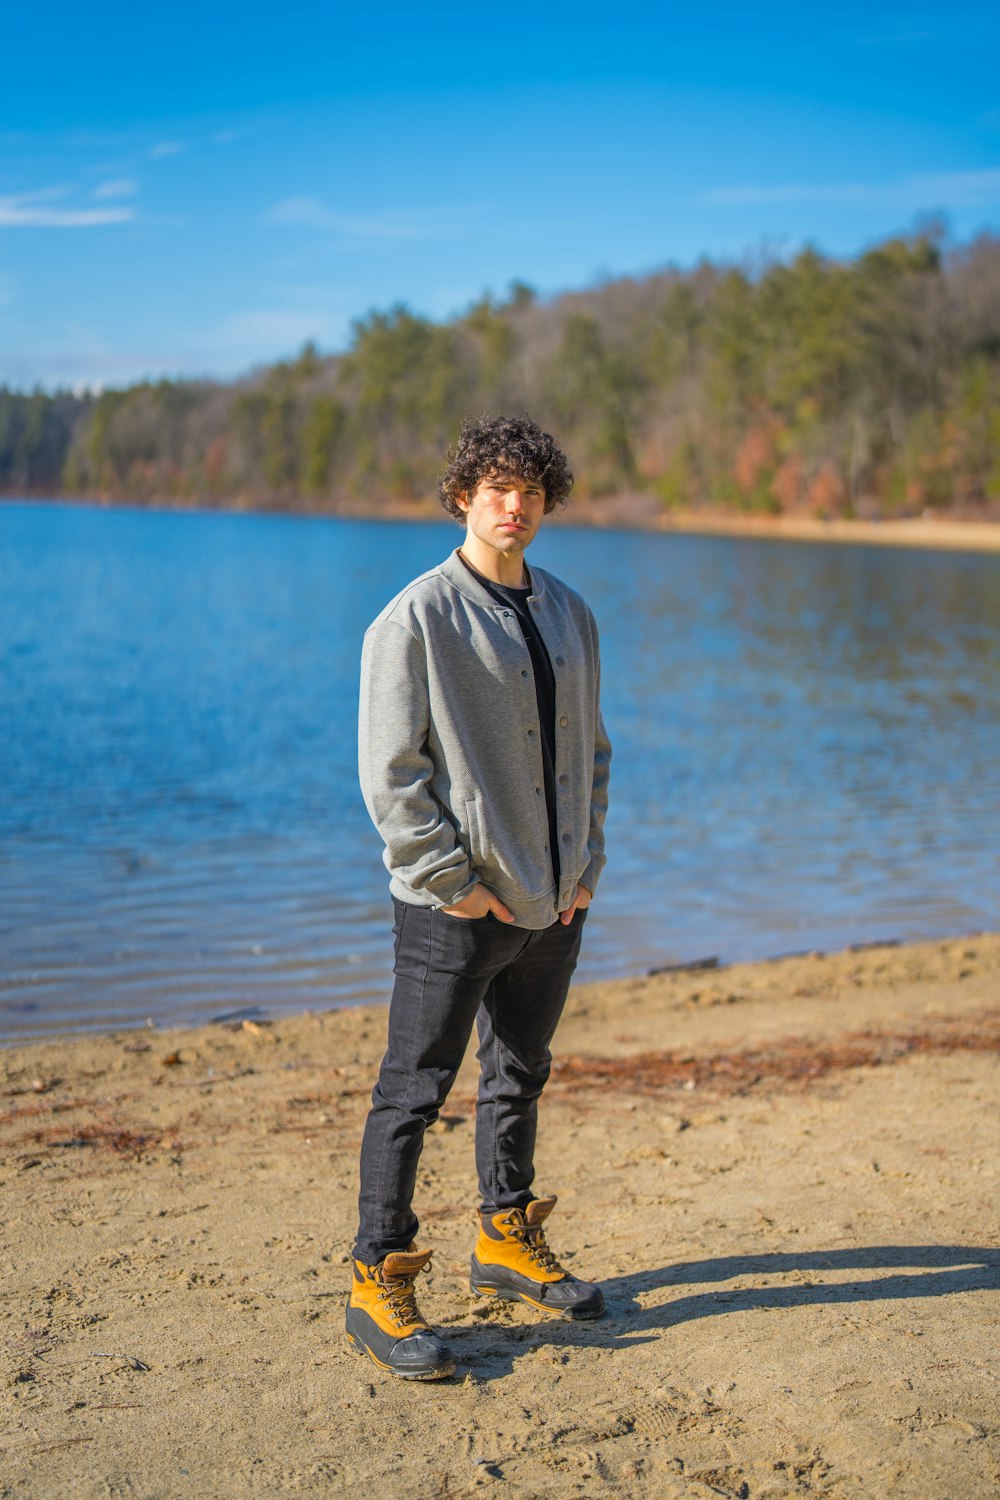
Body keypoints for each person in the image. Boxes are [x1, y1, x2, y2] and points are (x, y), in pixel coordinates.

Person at [346, 412, 612, 1380]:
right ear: (463, 496)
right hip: (454, 909)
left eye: (532, 492)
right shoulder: (414, 617)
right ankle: (377, 1277)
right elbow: (390, 773)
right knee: (412, 1091)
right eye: (498, 489)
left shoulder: (569, 611)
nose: (517, 506)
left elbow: (591, 754)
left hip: (553, 902)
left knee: (520, 1072)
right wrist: (451, 885)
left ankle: (503, 1236)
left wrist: (583, 865)